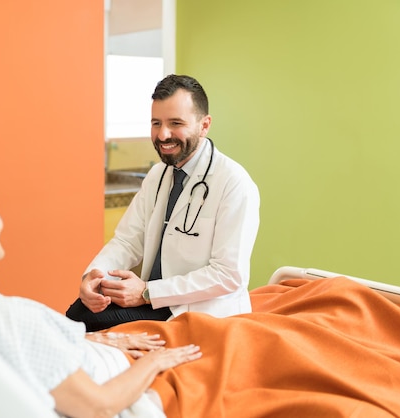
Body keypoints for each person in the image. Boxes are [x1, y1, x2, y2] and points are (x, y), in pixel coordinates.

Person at [0, 156, 202, 418]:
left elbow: (16, 349)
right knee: (230, 339)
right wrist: (154, 364)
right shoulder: (9, 318)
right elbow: (98, 407)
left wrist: (84, 338)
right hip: (134, 380)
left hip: (99, 352)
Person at [66, 74, 260, 331]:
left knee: (80, 324)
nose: (163, 134)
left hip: (202, 311)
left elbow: (228, 275)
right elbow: (128, 240)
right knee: (79, 312)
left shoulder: (234, 183)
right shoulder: (158, 175)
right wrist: (95, 275)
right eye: (156, 123)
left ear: (204, 125)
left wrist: (147, 292)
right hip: (156, 302)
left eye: (175, 123)